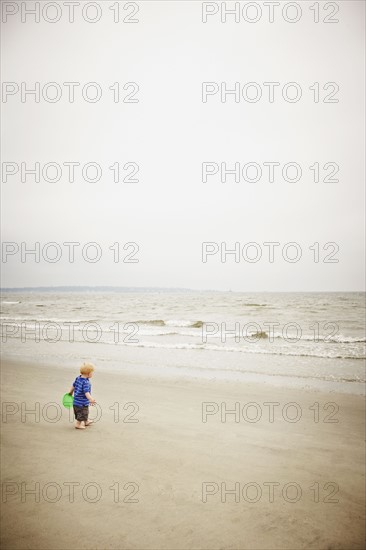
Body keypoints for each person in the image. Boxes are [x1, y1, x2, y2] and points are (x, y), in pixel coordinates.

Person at [68, 363, 96, 430]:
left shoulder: (78, 378)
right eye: (92, 373)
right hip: (81, 403)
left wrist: (70, 393)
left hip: (76, 402)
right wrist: (91, 399)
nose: (92, 374)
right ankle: (78, 424)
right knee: (82, 413)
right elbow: (86, 392)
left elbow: (73, 386)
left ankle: (86, 421)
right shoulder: (85, 383)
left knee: (84, 412)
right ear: (88, 373)